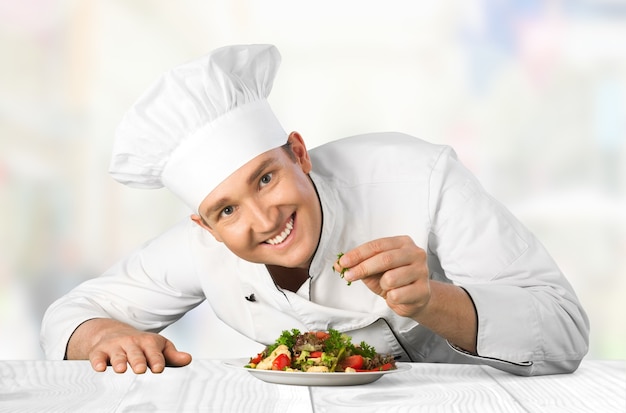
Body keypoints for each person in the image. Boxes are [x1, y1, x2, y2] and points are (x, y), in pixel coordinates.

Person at [40, 44, 589, 376]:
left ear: (299, 153)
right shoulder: (199, 250)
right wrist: (104, 338)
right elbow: (71, 314)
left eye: (266, 177)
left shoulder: (419, 177)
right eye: (226, 211)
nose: (263, 219)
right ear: (203, 225)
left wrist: (431, 301)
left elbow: (565, 332)